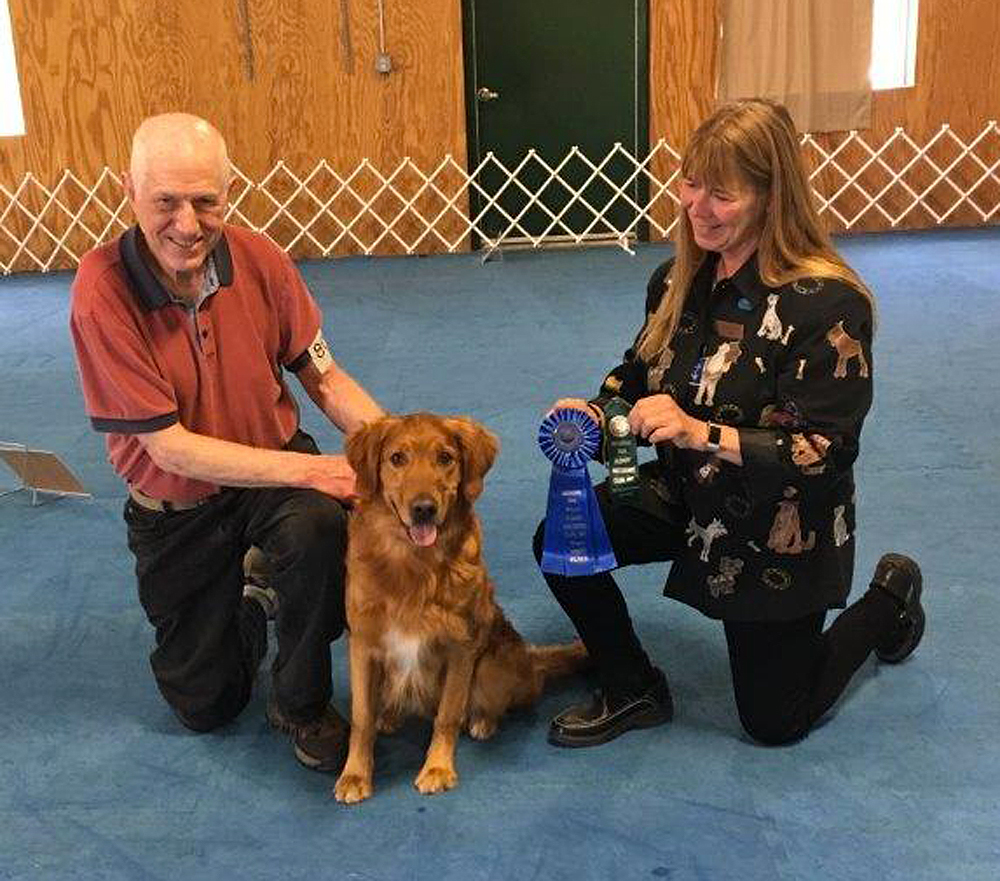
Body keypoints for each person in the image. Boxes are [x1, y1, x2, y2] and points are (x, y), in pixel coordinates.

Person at [534, 98, 925, 748]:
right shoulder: (675, 279)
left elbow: (823, 452)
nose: (697, 206)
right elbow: (637, 374)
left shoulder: (828, 304)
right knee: (563, 536)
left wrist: (698, 431)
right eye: (691, 183)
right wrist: (596, 415)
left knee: (775, 722)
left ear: (772, 197)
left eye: (722, 193)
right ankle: (633, 686)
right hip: (687, 492)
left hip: (780, 525)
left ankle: (889, 599)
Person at [69, 113, 384, 772]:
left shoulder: (262, 259)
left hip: (272, 472)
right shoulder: (101, 293)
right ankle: (255, 595)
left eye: (205, 201)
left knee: (318, 529)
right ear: (129, 190)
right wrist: (321, 472)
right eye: (166, 202)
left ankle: (301, 702)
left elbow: (324, 376)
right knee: (205, 704)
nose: (188, 224)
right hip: (178, 506)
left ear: (229, 192)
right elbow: (170, 449)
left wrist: (398, 450)